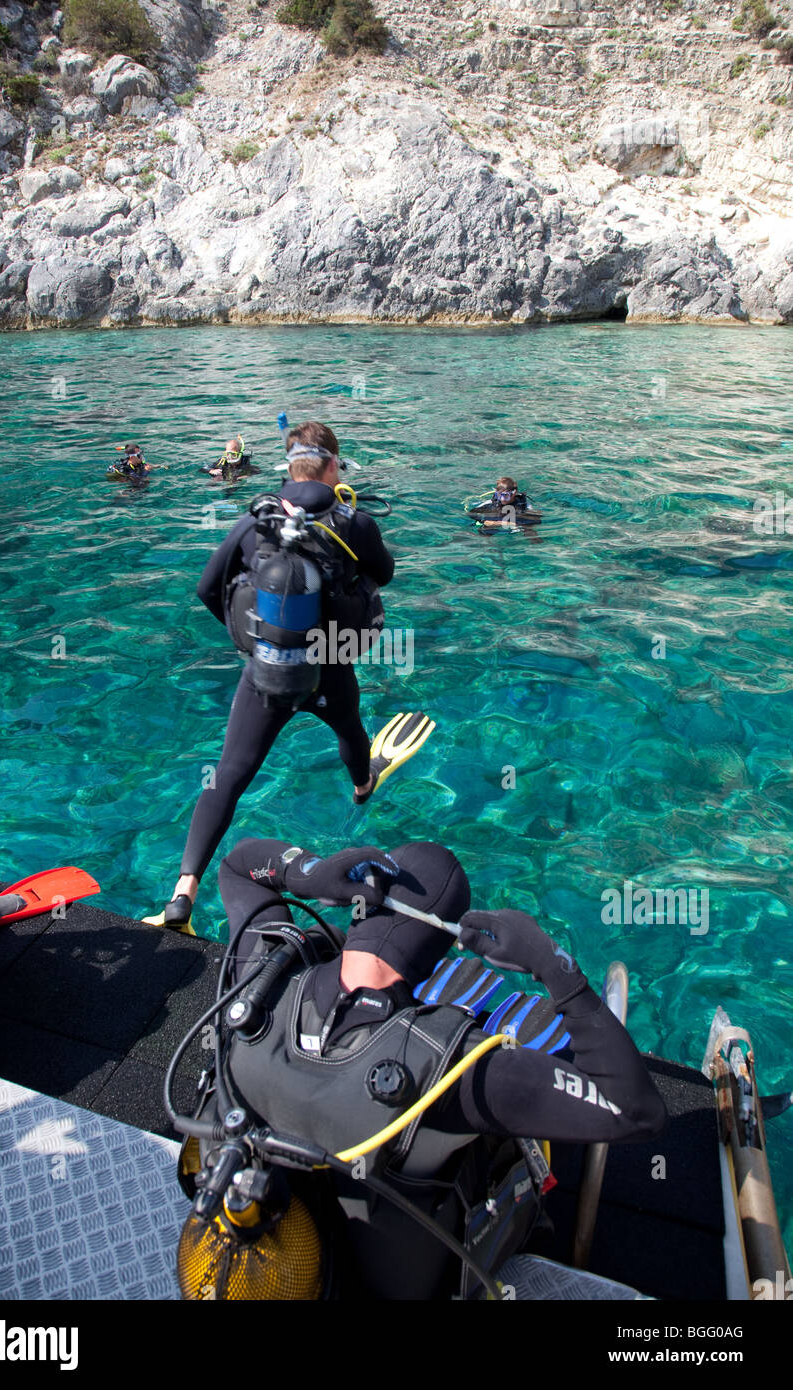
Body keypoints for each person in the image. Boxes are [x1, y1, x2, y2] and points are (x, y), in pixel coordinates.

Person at [184, 836, 667, 1299]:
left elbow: (237, 867)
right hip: (379, 1284)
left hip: (246, 1255)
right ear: (437, 953)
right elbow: (635, 1111)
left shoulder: (263, 980)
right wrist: (555, 967)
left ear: (359, 910)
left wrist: (308, 871)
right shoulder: (453, 1068)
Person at [145, 421, 414, 933]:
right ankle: (362, 786)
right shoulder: (353, 523)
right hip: (330, 666)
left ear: (288, 466)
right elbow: (385, 574)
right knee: (351, 731)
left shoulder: (255, 524)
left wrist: (252, 640)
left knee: (229, 775)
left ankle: (181, 898)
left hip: (266, 671)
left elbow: (206, 589)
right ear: (334, 466)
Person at [468, 476, 541, 533]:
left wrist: (518, 524)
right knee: (484, 531)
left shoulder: (523, 504)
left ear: (514, 493)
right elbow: (471, 513)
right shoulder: (491, 503)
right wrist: (485, 521)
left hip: (516, 523)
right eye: (499, 495)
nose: (502, 499)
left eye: (506, 495)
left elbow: (536, 519)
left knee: (530, 532)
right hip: (496, 521)